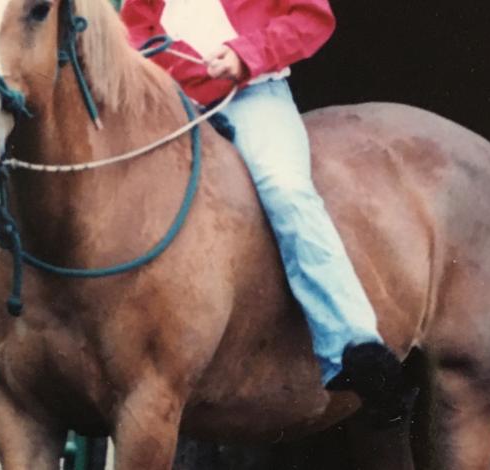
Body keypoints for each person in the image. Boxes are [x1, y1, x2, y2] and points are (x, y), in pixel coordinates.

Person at [121, 0, 410, 424]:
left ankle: (353, 341)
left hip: (252, 95)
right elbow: (136, 25)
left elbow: (311, 18)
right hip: (166, 101)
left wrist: (244, 55)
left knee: (286, 191)